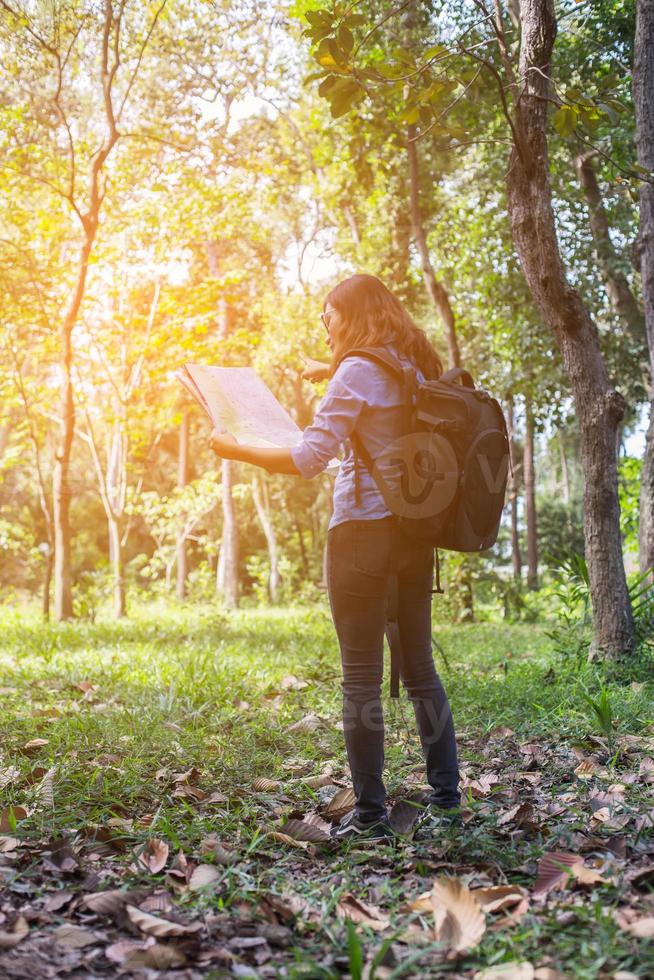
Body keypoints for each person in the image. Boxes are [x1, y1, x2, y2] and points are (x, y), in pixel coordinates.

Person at [209, 273, 461, 843]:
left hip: (362, 537)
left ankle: (370, 815)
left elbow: (309, 457)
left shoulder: (357, 371)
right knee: (420, 669)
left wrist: (237, 449)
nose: (327, 329)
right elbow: (384, 403)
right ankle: (447, 797)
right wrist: (331, 373)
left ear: (349, 317)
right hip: (413, 539)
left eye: (329, 318)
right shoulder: (415, 365)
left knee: (360, 679)